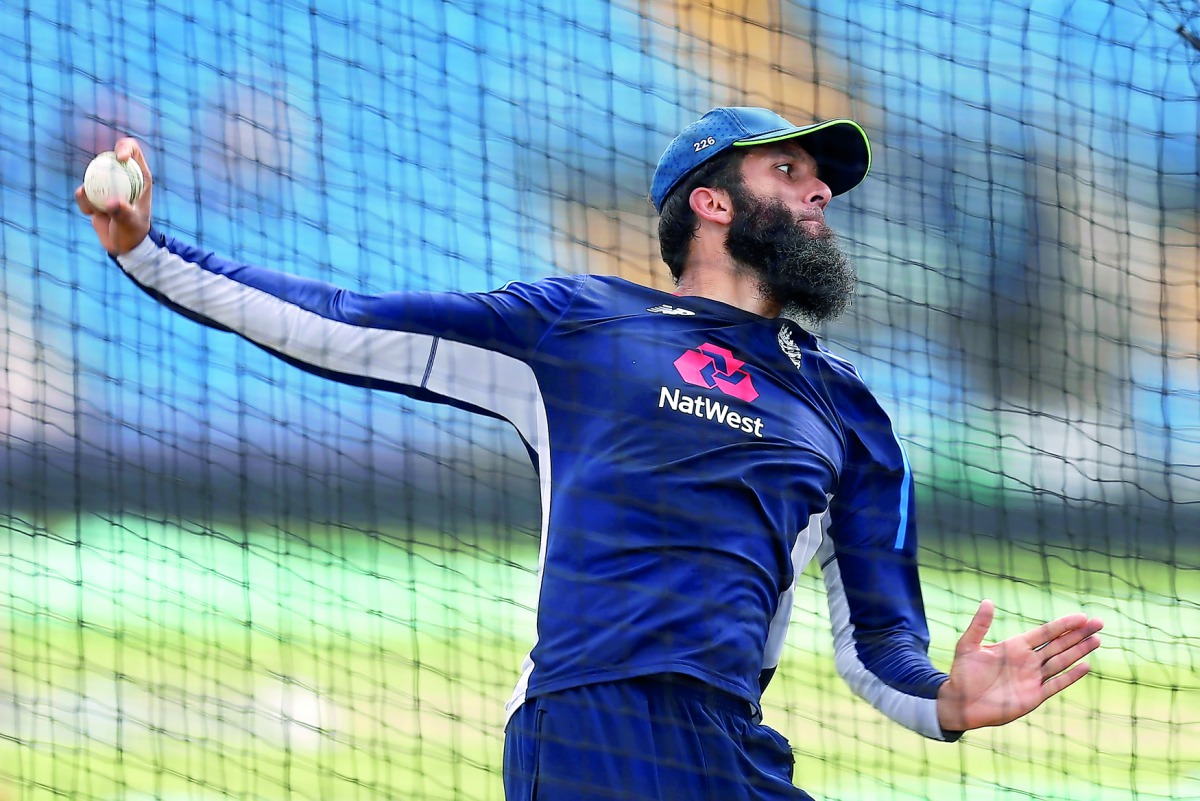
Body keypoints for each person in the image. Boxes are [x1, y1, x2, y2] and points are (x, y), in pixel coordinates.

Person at [77, 106, 1103, 801]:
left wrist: (947, 701)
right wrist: (150, 252)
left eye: (821, 178)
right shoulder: (575, 325)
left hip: (731, 744)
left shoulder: (849, 412)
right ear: (710, 201)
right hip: (588, 723)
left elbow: (881, 646)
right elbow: (344, 323)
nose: (820, 192)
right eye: (788, 170)